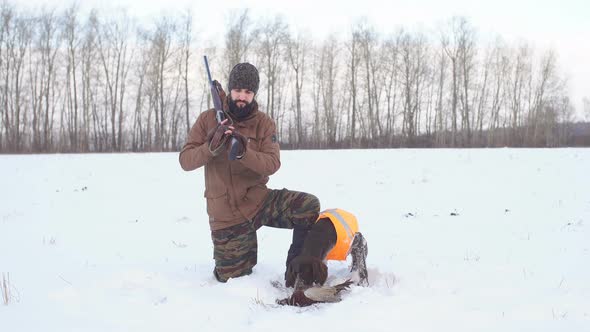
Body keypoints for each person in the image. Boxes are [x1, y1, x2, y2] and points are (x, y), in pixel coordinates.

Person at [179, 62, 334, 286]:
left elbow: (272, 163)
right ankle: (233, 254)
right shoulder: (207, 119)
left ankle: (297, 269)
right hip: (226, 214)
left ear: (254, 94)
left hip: (259, 201)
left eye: (248, 92)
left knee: (307, 205)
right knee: (233, 278)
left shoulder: (264, 123)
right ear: (230, 90)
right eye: (238, 90)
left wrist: (244, 152)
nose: (242, 96)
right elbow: (185, 160)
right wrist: (210, 147)